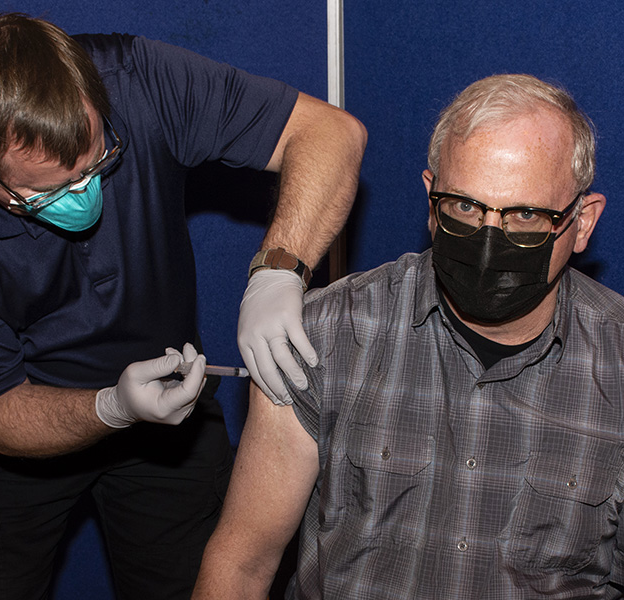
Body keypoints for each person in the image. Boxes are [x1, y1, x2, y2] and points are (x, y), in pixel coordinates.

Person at [0, 13, 366, 600]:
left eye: (98, 162)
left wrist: (278, 272)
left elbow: (331, 133)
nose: (86, 194)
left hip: (174, 410)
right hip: (19, 434)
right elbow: (0, 412)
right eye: (48, 190)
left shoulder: (137, 79)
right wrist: (113, 406)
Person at [192, 74, 624, 599]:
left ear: (582, 223)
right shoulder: (326, 337)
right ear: (430, 197)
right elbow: (240, 566)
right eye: (464, 206)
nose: (489, 242)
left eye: (526, 215)